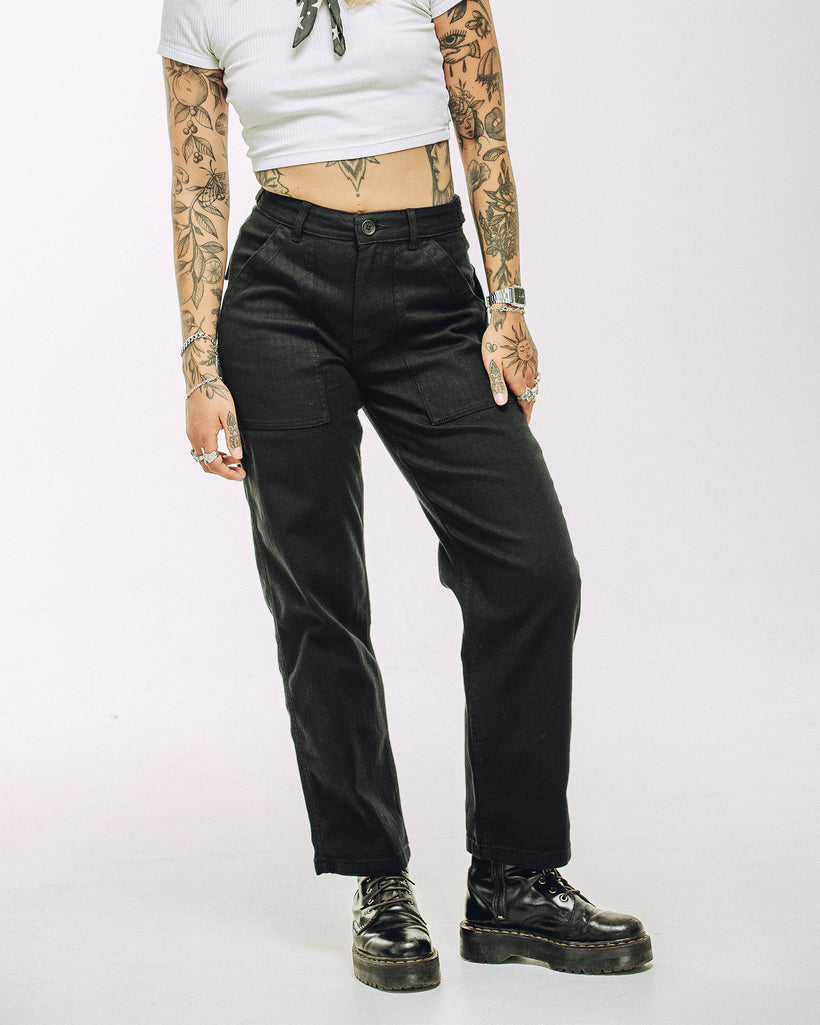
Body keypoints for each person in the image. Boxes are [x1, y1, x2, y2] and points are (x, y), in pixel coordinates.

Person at [158, 0, 652, 992]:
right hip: (279, 293)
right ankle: (377, 877)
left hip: (430, 287)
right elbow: (199, 180)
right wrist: (200, 359)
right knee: (318, 594)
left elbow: (483, 130)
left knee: (530, 568)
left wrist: (507, 304)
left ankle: (512, 879)